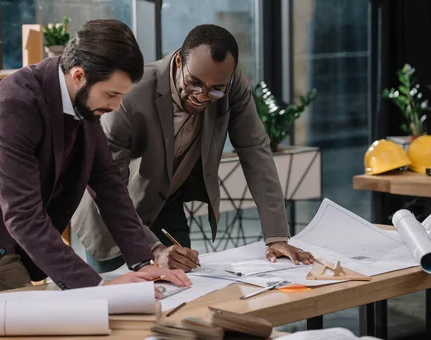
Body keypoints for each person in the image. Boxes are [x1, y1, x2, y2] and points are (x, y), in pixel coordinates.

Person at [0, 19, 190, 298]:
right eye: (111, 95)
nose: (117, 105)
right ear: (79, 75)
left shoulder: (85, 105)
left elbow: (108, 185)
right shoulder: (15, 104)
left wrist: (141, 260)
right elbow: (23, 215)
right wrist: (98, 288)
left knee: (26, 327)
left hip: (0, 246)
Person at [72, 24, 316, 273]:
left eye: (215, 90)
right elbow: (109, 190)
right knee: (122, 304)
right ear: (179, 62)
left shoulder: (231, 85)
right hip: (111, 214)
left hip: (165, 203)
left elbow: (254, 149)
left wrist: (276, 237)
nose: (202, 96)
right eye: (194, 84)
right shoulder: (129, 97)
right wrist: (155, 249)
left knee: (187, 289)